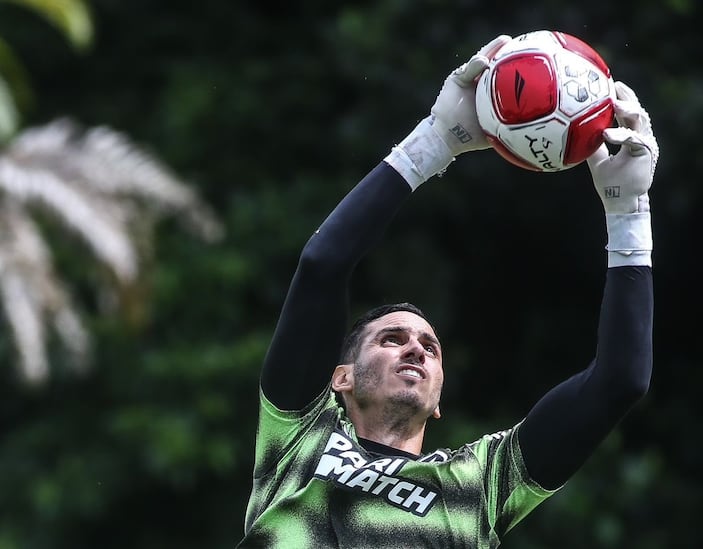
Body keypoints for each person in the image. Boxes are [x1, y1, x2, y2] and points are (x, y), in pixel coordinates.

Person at [236, 34, 659, 549]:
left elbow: (621, 381)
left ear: (438, 401)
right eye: (391, 339)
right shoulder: (299, 436)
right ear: (340, 378)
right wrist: (436, 140)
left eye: (430, 348)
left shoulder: (480, 484)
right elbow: (323, 266)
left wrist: (628, 213)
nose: (416, 347)